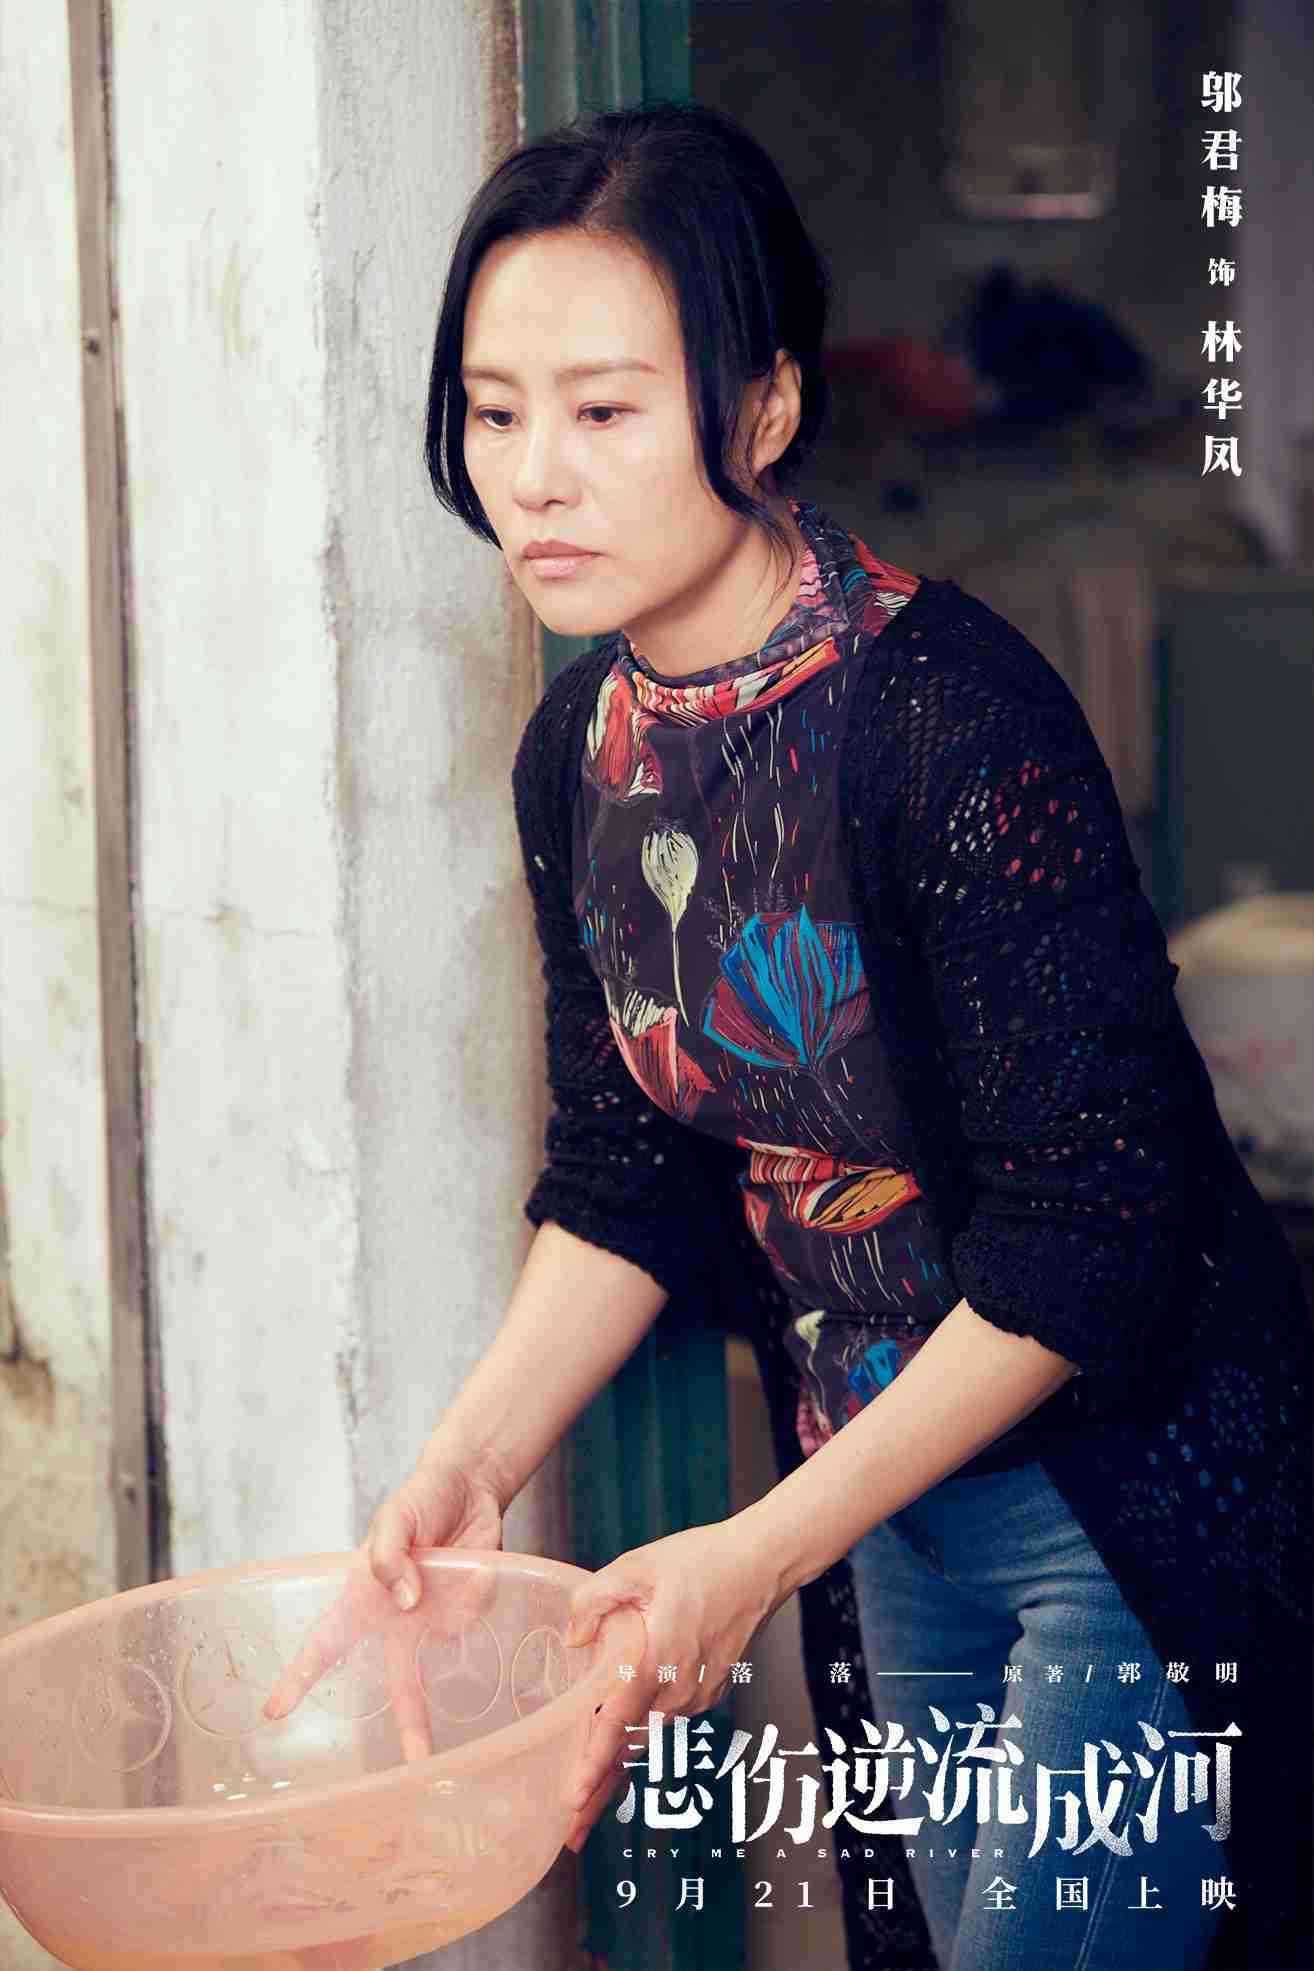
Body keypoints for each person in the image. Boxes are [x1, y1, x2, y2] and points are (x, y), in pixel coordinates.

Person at [269, 102, 1314, 1971]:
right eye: (494, 413)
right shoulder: (579, 756)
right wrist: (471, 1462)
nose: (533, 478)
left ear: (758, 412)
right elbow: (629, 1168)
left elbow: (1092, 1233)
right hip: (888, 1512)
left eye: (603, 410)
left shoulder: (947, 720)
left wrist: (752, 1551)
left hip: (1123, 1494)